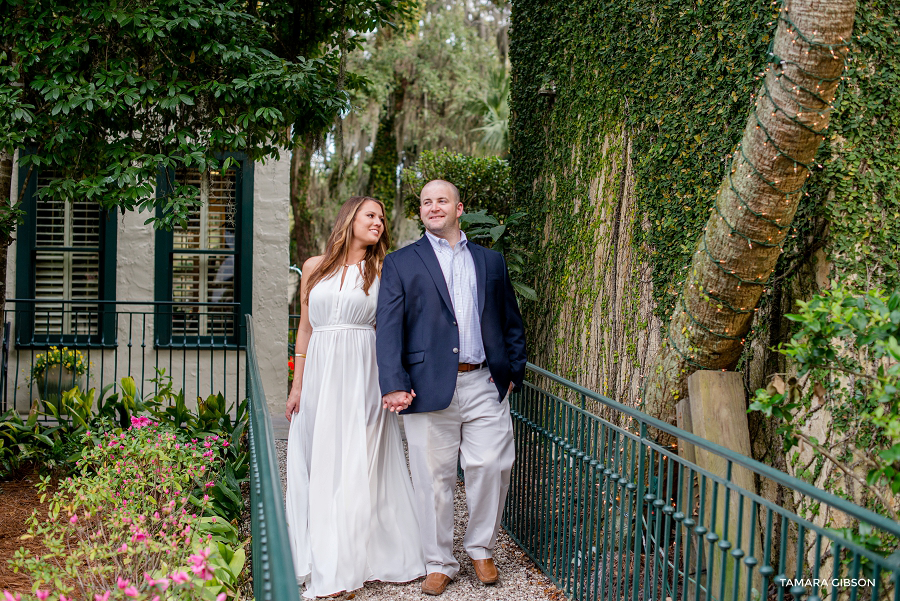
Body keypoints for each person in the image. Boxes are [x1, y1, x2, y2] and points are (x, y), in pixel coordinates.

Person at [376, 180, 527, 596]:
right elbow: (388, 330)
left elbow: (510, 319)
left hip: (484, 380)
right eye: (426, 202)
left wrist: (513, 370)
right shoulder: (402, 262)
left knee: (493, 465)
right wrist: (393, 383)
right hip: (426, 387)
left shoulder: (490, 261)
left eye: (441, 200)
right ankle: (439, 562)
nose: (433, 207)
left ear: (459, 208)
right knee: (432, 478)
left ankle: (480, 548)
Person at [285, 196, 425, 599]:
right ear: (349, 218)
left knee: (359, 458)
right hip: (321, 374)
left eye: (382, 217)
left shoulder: (383, 268)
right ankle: (323, 549)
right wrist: (297, 385)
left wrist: (395, 380)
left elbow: (392, 328)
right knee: (322, 456)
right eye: (371, 215)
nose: (379, 222)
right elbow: (305, 330)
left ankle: (350, 559)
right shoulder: (313, 267)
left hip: (364, 371)